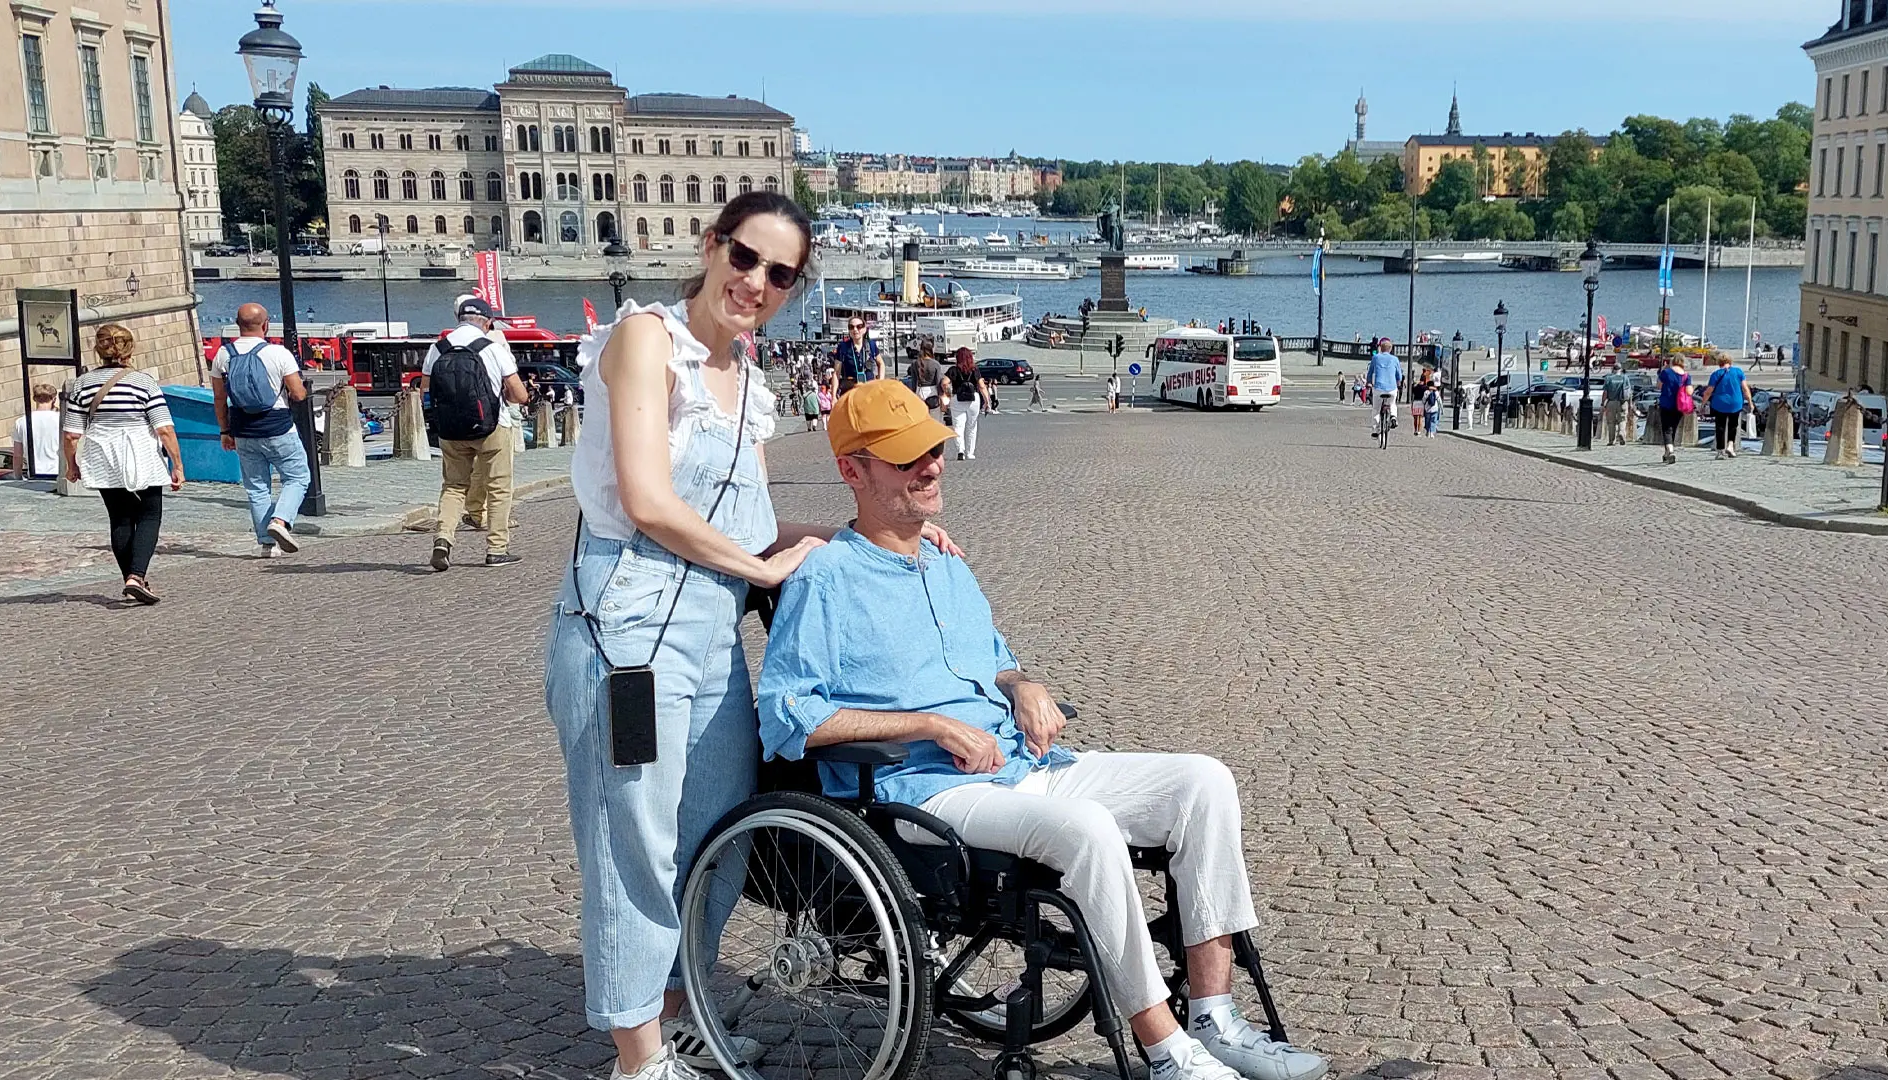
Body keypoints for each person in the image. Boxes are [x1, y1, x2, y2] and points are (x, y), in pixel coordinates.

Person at [755, 379, 1331, 1080]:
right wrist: (930, 725)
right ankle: (1166, 1049)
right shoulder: (828, 579)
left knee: (1202, 782)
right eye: (906, 458)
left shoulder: (945, 564)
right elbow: (789, 717)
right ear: (854, 470)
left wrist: (1024, 685)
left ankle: (1213, 1017)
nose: (931, 465)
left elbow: (993, 659)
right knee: (1086, 828)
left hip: (1023, 765)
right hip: (920, 792)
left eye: (932, 449)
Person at [542, 192, 963, 1080]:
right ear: (711, 246)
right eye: (745, 258)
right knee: (635, 842)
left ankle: (674, 1006)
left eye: (780, 273)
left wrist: (892, 532)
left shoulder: (747, 379)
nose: (756, 282)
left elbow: (755, 525)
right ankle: (636, 1056)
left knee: (720, 837)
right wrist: (765, 572)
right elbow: (649, 502)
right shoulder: (645, 342)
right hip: (627, 630)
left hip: (709, 630)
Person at [60, 324, 186, 605]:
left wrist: (71, 465)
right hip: (139, 450)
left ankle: (131, 576)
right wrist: (177, 464)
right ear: (130, 349)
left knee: (119, 517)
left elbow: (71, 434)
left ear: (98, 349)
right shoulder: (143, 382)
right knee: (150, 514)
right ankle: (136, 576)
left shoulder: (82, 384)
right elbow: (163, 428)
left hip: (102, 453)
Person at [426, 296, 528, 569]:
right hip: (491, 426)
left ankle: (443, 539)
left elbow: (426, 388)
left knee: (453, 486)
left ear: (458, 319)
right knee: (498, 487)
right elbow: (519, 394)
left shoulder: (438, 348)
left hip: (450, 430)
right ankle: (497, 549)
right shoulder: (493, 348)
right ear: (488, 322)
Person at [211, 303, 311, 557]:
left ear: (237, 325)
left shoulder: (223, 355)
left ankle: (267, 545)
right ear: (265, 325)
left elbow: (220, 398)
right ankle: (280, 521)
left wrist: (225, 431)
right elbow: (298, 394)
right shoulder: (278, 353)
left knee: (256, 487)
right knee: (298, 477)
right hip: (278, 427)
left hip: (243, 430)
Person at [1702, 354, 1752, 459]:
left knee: (1720, 426)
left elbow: (1709, 391)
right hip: (1736, 402)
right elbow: (1745, 389)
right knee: (1733, 425)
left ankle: (1720, 451)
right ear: (1730, 361)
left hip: (1720, 403)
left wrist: (1703, 403)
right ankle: (1730, 445)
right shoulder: (1738, 372)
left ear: (1719, 362)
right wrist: (1750, 402)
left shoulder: (1716, 374)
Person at [942, 346, 987, 460]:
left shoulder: (953, 370)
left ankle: (960, 450)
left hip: (958, 398)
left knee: (958, 426)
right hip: (973, 399)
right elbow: (981, 386)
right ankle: (970, 453)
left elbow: (944, 383)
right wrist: (987, 401)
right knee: (972, 426)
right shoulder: (975, 370)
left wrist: (949, 393)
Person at [11, 381, 62, 479]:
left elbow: (18, 455)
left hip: (34, 475)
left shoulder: (21, 422)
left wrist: (18, 478)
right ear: (54, 399)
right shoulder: (60, 419)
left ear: (34, 399)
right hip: (57, 473)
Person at [1657, 356, 1694, 465]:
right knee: (1673, 428)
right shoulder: (1686, 376)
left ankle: (1670, 450)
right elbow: (1689, 392)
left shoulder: (1666, 373)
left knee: (1666, 429)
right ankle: (1668, 452)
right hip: (1679, 406)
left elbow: (1659, 386)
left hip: (1666, 403)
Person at [1366, 339, 1402, 438]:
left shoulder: (1376, 358)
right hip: (1391, 387)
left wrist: (1369, 382)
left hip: (1379, 387)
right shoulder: (1395, 359)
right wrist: (1399, 382)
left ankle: (1375, 429)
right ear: (1390, 349)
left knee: (1376, 409)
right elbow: (1399, 374)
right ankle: (1393, 416)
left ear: (1380, 348)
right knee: (1392, 403)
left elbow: (1370, 372)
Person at [835, 317, 880, 393]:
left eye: (859, 326)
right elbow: (836, 373)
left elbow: (881, 363)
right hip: (850, 391)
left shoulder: (871, 344)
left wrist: (880, 381)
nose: (855, 329)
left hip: (869, 390)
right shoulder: (843, 347)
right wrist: (833, 396)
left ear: (864, 329)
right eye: (851, 327)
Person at [910, 342, 945, 416]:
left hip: (919, 392)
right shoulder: (935, 364)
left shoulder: (914, 363)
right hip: (932, 393)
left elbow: (913, 382)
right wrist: (942, 396)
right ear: (931, 349)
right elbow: (938, 382)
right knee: (934, 420)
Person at [1601, 367, 1633, 447]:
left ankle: (1612, 440)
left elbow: (1605, 392)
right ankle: (1621, 433)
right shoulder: (1625, 378)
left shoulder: (1609, 378)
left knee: (1611, 422)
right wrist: (1630, 404)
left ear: (1613, 370)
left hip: (1611, 402)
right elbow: (1629, 392)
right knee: (1622, 419)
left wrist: (1603, 403)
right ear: (1621, 370)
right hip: (1622, 402)